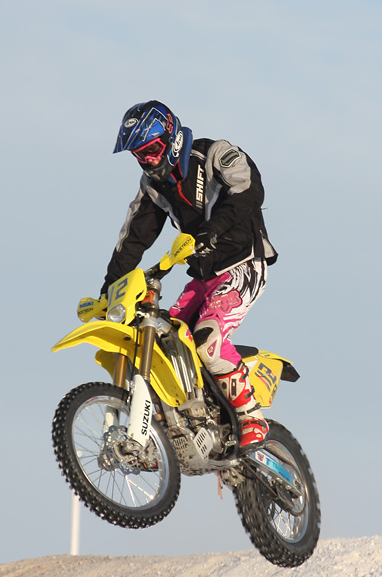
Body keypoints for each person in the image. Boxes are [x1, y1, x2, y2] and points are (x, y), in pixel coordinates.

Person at [100, 100, 278, 450]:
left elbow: (249, 190)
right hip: (202, 277)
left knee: (207, 338)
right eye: (139, 154)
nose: (147, 160)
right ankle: (176, 425)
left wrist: (213, 230)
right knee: (163, 341)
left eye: (151, 150)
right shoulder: (153, 186)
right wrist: (108, 292)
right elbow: (133, 239)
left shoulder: (215, 154)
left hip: (243, 263)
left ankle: (251, 416)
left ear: (172, 138)